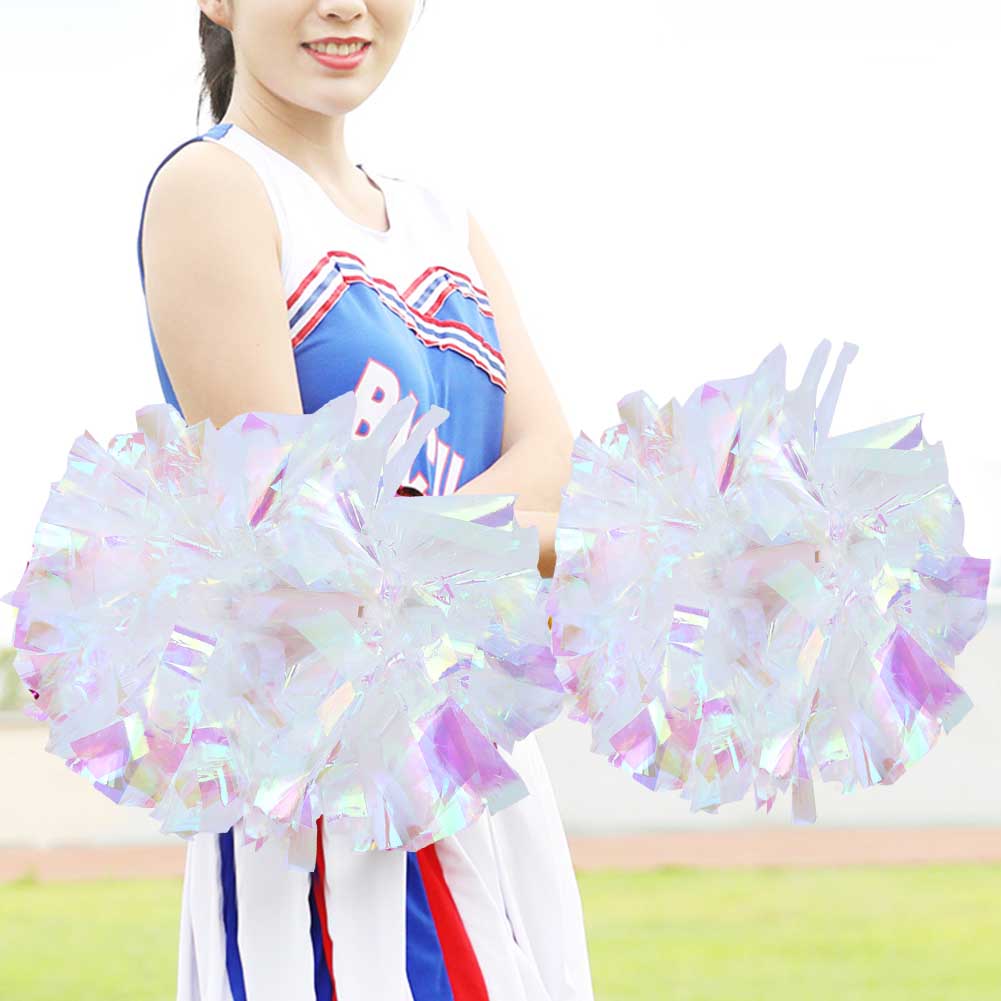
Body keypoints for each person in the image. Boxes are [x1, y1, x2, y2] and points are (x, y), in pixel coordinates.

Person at [137, 1, 595, 999]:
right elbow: (300, 547)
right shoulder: (216, 188)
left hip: (481, 756)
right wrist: (522, 540)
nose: (344, 5)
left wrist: (427, 545)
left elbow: (554, 457)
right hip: (334, 785)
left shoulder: (441, 219)